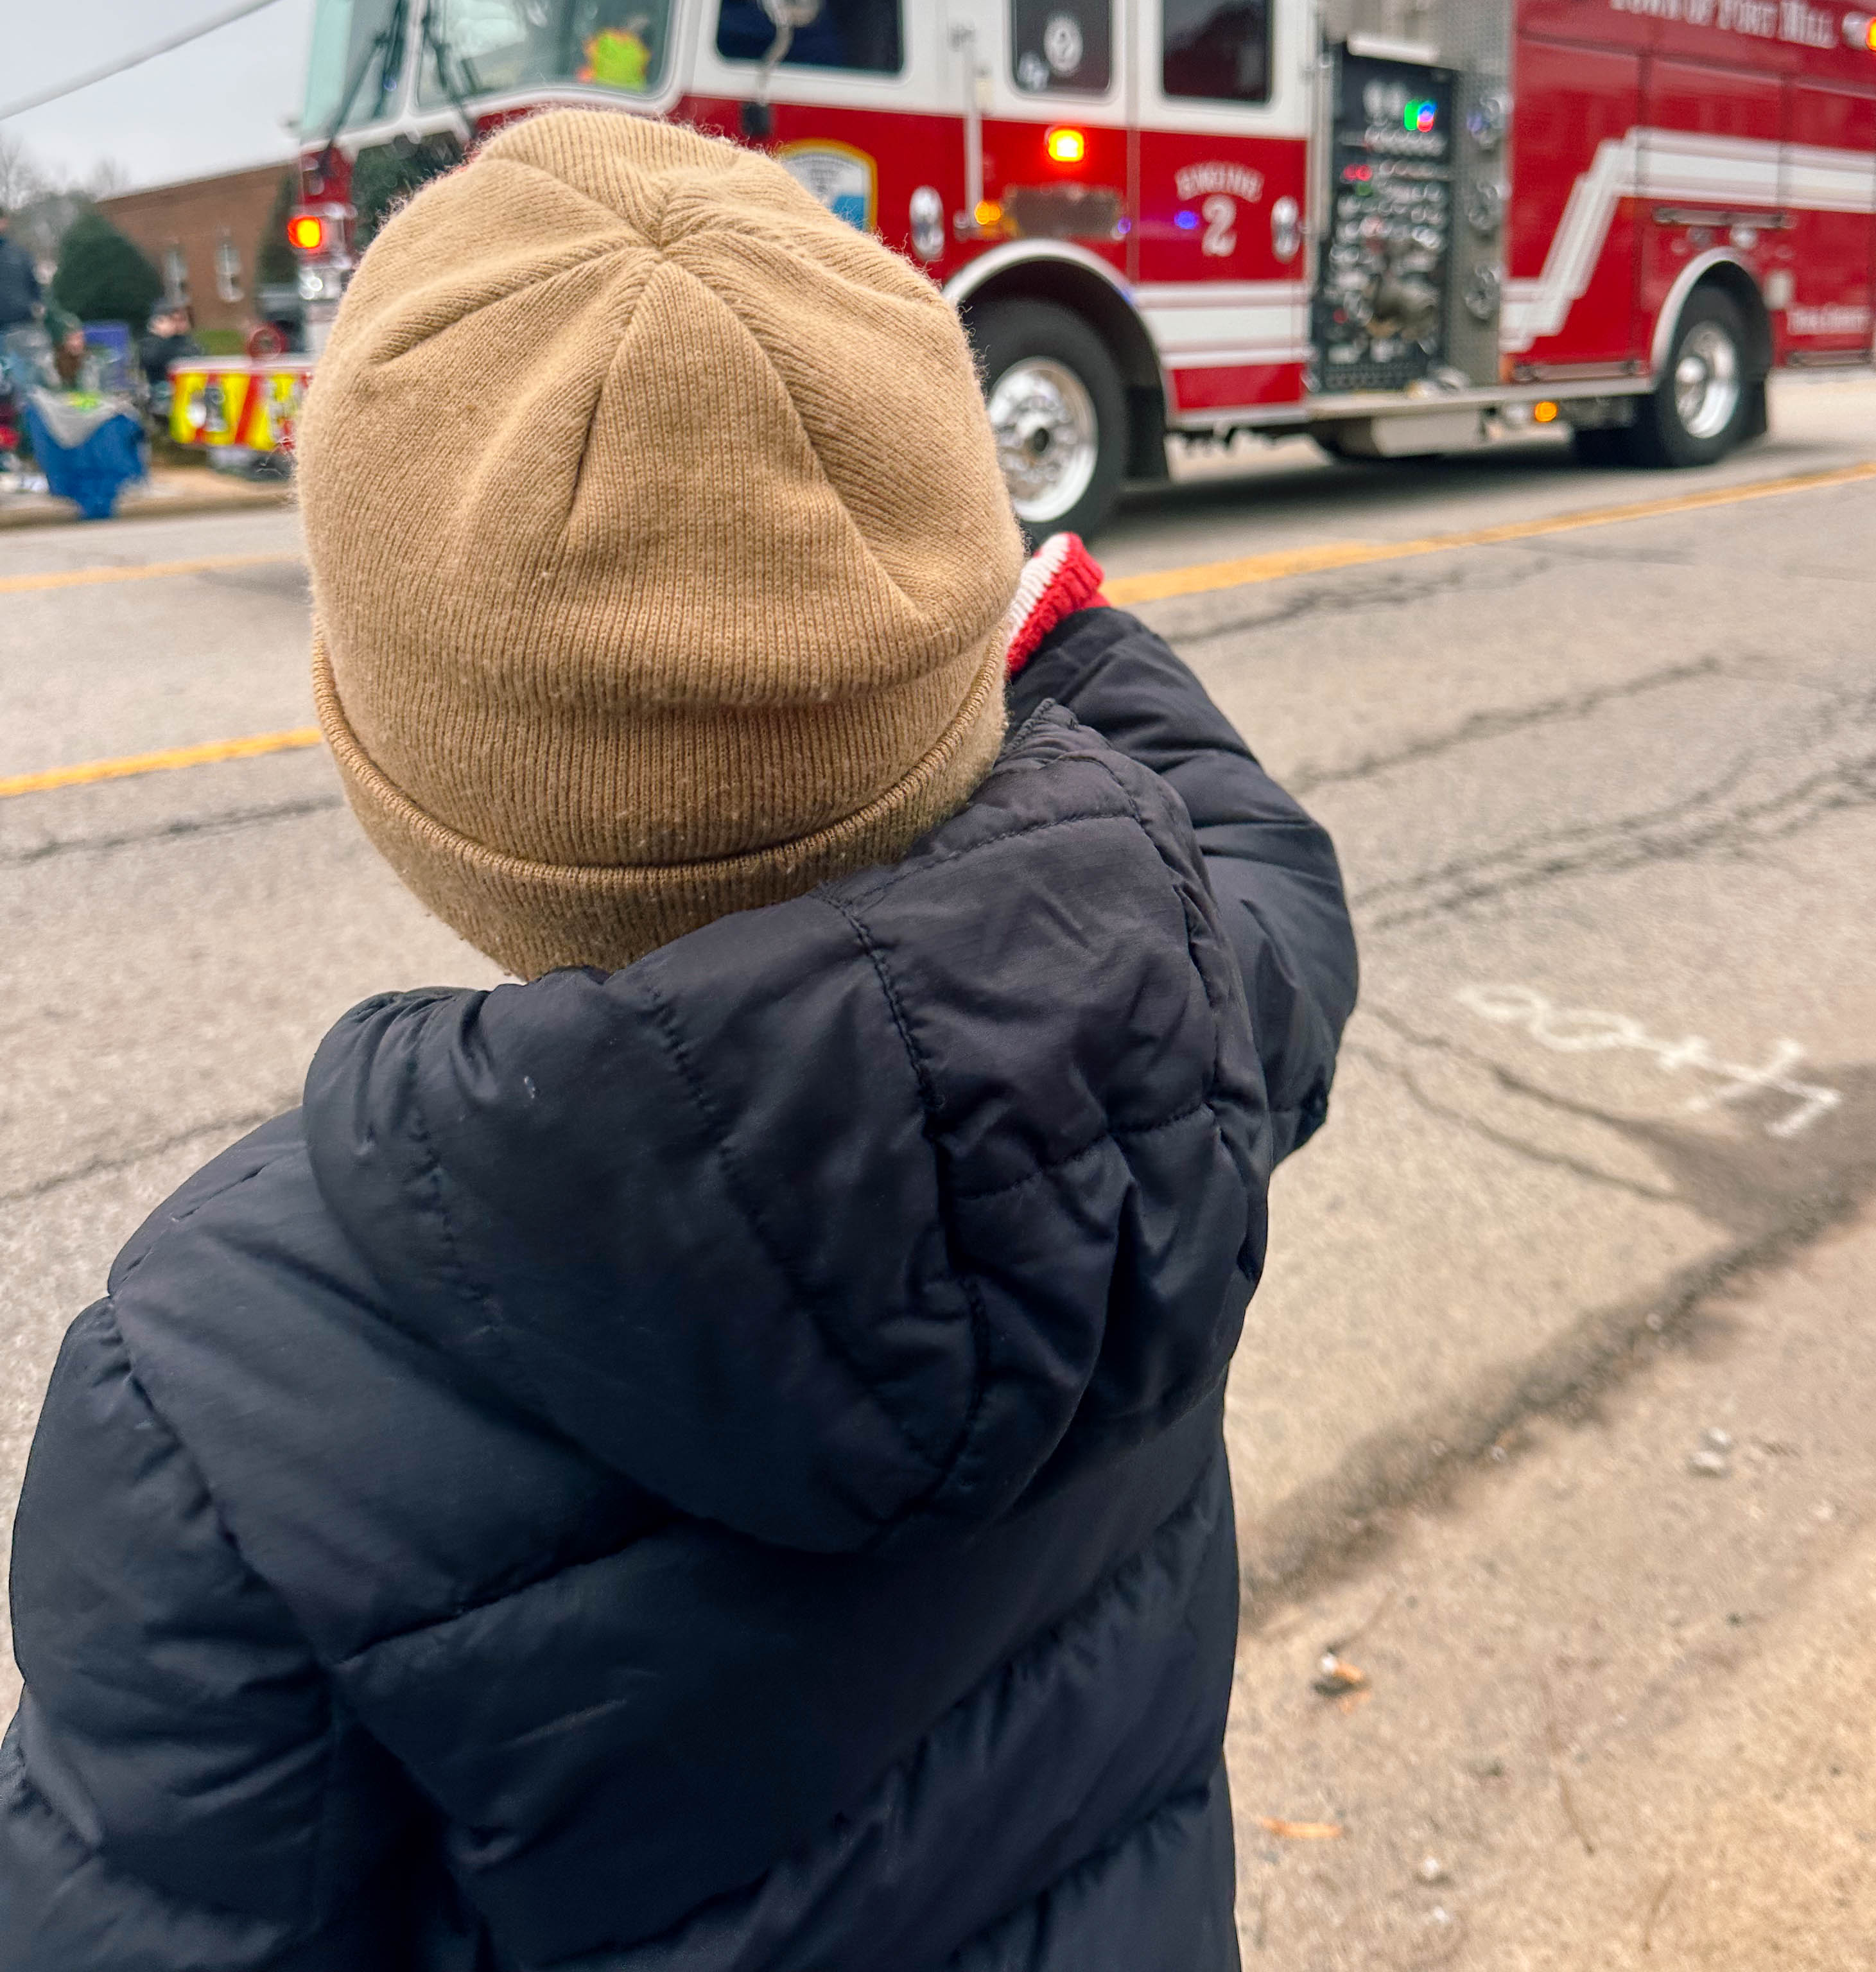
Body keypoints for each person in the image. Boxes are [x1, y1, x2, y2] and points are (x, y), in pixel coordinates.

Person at [0, 114, 1357, 1968]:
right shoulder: (1180, 1025)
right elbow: (1256, 852)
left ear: (413, 770)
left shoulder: (223, 1406)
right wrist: (1036, 637)